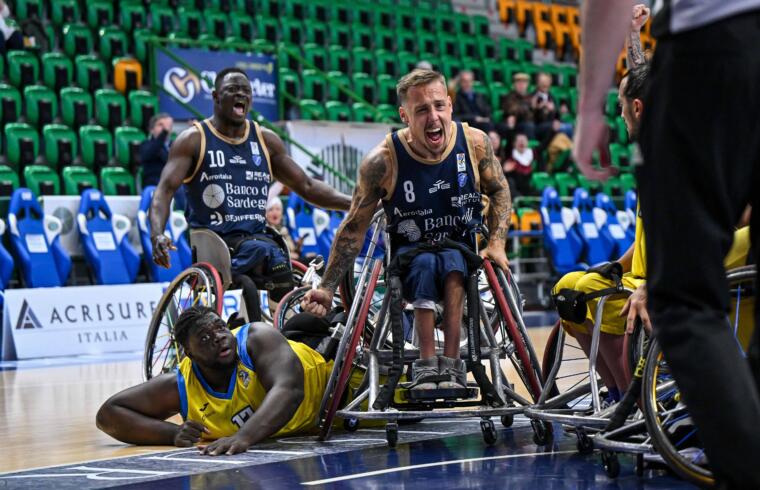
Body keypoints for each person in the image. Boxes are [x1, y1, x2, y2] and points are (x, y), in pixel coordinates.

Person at [574, 2, 760, 488]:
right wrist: (636, 40)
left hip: (721, 47)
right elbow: (643, 84)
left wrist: (590, 106)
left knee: (679, 299)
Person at [301, 69, 511, 392]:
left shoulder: (475, 143)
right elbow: (353, 229)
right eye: (422, 110)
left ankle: (453, 364)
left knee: (455, 267)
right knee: (427, 266)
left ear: (451, 106)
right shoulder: (382, 162)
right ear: (404, 116)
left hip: (460, 251)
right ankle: (427, 363)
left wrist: (496, 243)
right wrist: (328, 288)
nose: (433, 117)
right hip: (410, 256)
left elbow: (500, 189)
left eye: (439, 106)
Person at [150, 67, 351, 315]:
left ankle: (284, 327)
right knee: (267, 253)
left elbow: (307, 186)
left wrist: (354, 203)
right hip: (215, 241)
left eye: (246, 91)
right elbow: (163, 191)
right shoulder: (193, 140)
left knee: (277, 254)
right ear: (215, 97)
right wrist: (157, 234)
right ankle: (277, 324)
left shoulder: (265, 140)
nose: (241, 95)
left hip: (257, 240)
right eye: (232, 90)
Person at [96, 306, 336, 456]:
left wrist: (244, 436)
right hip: (317, 424)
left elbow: (289, 390)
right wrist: (172, 434)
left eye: (221, 328)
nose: (219, 338)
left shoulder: (257, 338)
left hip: (342, 389)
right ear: (189, 354)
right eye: (204, 338)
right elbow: (109, 415)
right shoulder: (182, 383)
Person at [501, 72, 535, 140]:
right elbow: (511, 110)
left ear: (527, 85)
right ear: (514, 84)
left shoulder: (531, 97)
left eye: (524, 83)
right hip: (517, 124)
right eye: (519, 83)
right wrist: (529, 106)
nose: (521, 85)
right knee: (529, 126)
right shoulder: (510, 96)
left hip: (532, 123)